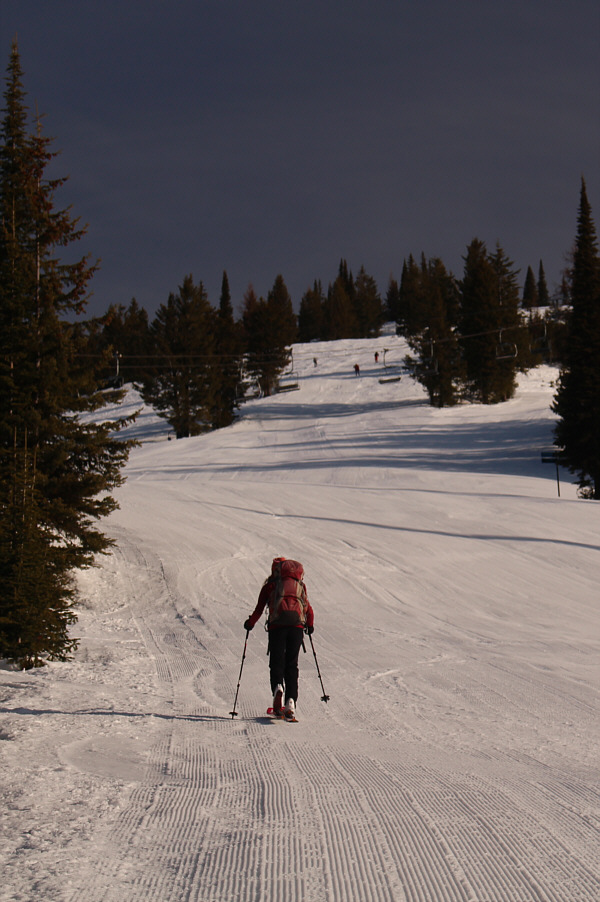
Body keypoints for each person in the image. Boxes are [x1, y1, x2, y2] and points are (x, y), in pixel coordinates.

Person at [244, 557, 314, 718]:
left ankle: (278, 687)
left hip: (277, 628)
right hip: (296, 628)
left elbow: (259, 609)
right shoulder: (300, 586)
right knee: (291, 664)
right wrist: (310, 625)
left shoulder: (270, 586)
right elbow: (308, 608)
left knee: (276, 662)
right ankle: (291, 701)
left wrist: (250, 623)